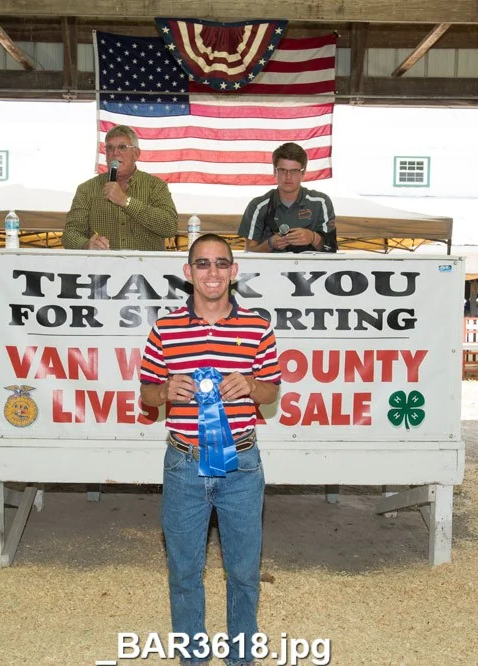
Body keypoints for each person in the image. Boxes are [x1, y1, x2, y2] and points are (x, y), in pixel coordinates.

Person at [139, 234, 281, 666]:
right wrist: (163, 391)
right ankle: (193, 658)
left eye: (221, 263)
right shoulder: (164, 330)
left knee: (244, 573)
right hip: (184, 463)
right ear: (189, 272)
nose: (212, 272)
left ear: (234, 271)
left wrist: (251, 385)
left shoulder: (258, 328)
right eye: (202, 264)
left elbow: (271, 391)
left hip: (242, 464)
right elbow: (146, 394)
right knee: (183, 574)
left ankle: (241, 657)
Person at [62, 125, 178, 251]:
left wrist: (126, 201)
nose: (115, 153)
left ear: (136, 154)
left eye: (122, 147)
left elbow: (170, 226)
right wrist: (86, 244)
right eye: (110, 148)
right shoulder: (87, 189)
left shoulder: (155, 186)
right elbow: (70, 233)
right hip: (103, 263)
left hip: (146, 264)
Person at [238, 142, 338, 254]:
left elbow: (331, 249)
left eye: (294, 171)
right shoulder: (258, 206)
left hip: (310, 265)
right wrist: (270, 244)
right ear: (275, 171)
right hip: (270, 265)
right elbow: (249, 252)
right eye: (283, 170)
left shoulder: (321, 203)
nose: (288, 177)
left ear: (303, 172)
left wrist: (312, 237)